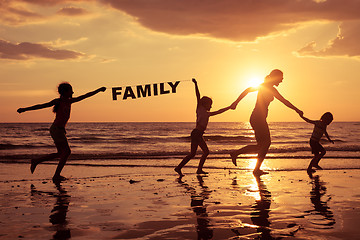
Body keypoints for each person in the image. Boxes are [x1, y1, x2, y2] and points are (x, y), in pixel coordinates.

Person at [17, 83, 106, 182]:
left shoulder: (70, 101)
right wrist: (24, 109)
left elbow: (85, 96)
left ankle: (37, 161)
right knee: (66, 152)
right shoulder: (58, 102)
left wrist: (99, 90)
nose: (72, 92)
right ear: (65, 92)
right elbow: (41, 106)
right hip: (56, 130)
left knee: (61, 153)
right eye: (70, 90)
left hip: (59, 130)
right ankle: (55, 175)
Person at [174, 78, 253, 176]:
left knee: (196, 153)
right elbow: (197, 95)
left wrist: (229, 107)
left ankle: (181, 168)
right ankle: (191, 169)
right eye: (209, 105)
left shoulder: (207, 114)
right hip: (196, 133)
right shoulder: (199, 108)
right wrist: (195, 84)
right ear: (204, 104)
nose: (211, 107)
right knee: (204, 152)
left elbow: (219, 111)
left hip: (197, 133)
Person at [230, 69, 303, 175]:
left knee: (263, 145)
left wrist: (296, 110)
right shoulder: (264, 86)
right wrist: (235, 102)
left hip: (259, 118)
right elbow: (247, 90)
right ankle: (246, 161)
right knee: (265, 144)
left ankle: (249, 163)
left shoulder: (272, 89)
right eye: (281, 78)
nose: (281, 81)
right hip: (257, 118)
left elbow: (284, 101)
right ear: (276, 77)